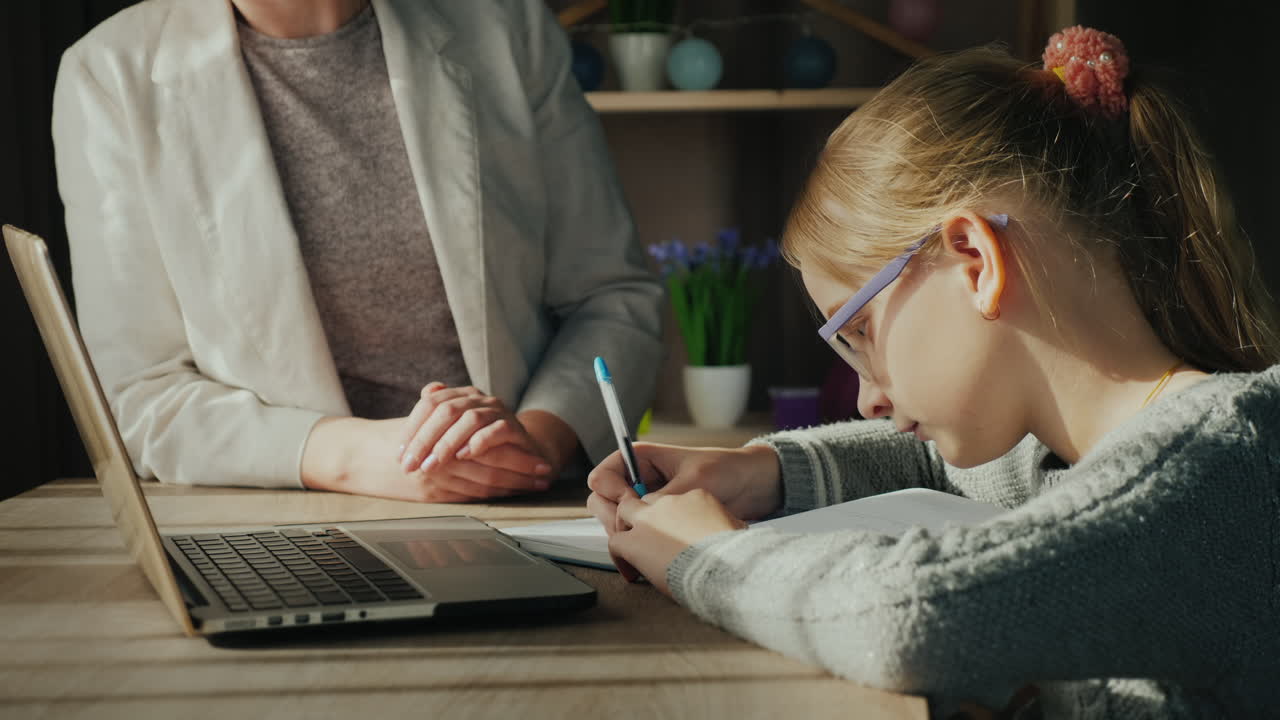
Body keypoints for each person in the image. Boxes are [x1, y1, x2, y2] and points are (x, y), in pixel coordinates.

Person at [587, 27, 1280, 717]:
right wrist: (751, 473)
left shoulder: (1221, 467)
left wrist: (709, 553)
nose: (867, 398)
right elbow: (931, 468)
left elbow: (914, 617)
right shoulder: (1065, 454)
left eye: (860, 331)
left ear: (975, 261)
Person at [51, 0, 663, 503]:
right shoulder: (109, 71)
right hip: (275, 519)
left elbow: (613, 298)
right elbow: (139, 395)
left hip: (530, 510)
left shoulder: (506, 26)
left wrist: (532, 444)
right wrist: (360, 456)